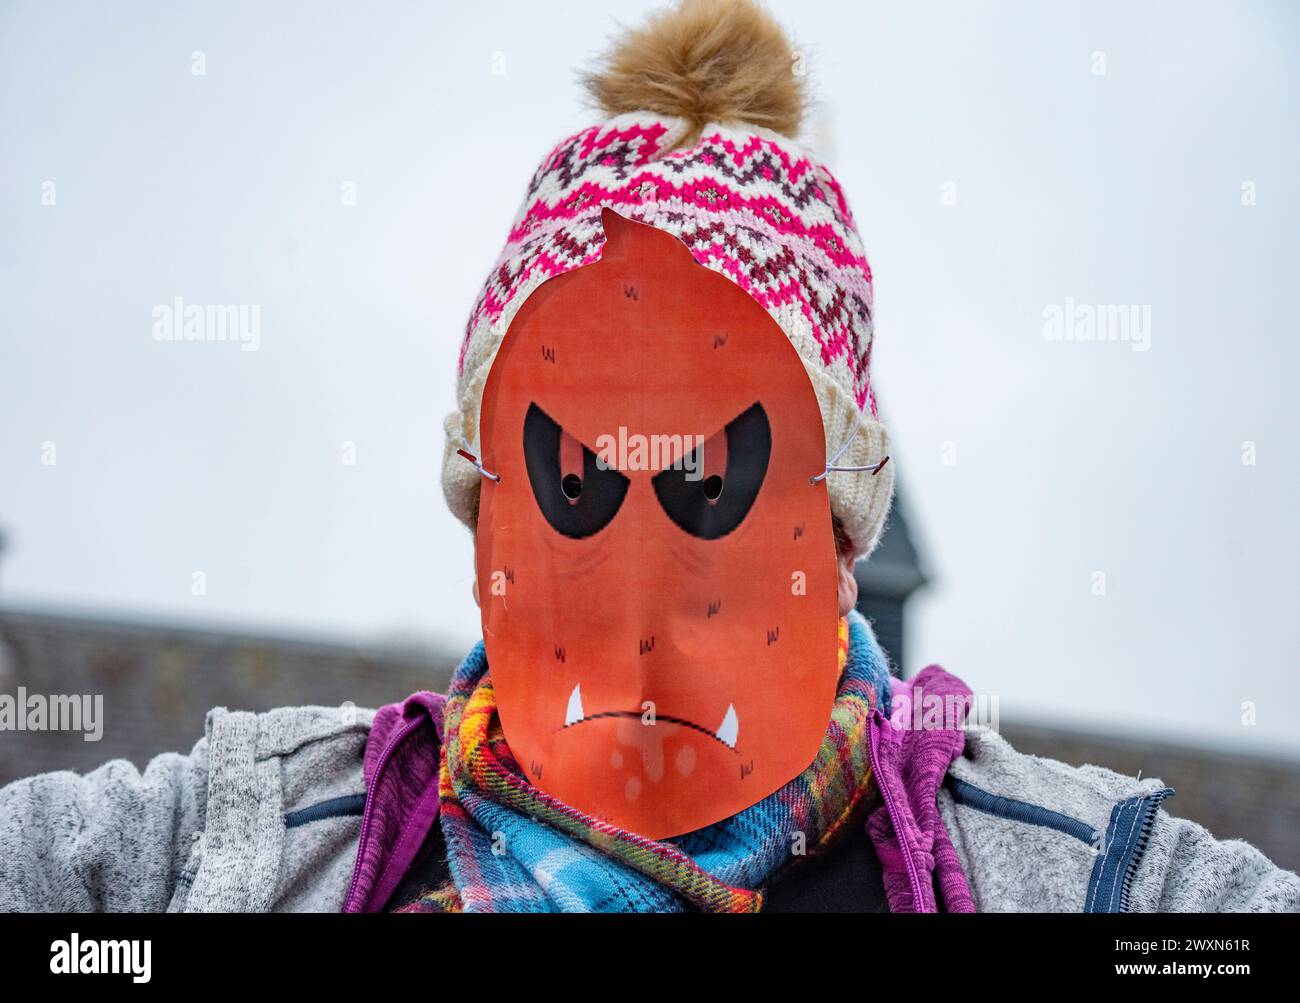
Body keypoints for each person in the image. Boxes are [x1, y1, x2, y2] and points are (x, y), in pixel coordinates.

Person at [1, 0, 1296, 914]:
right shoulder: (240, 846)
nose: (639, 588)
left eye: (710, 482)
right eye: (572, 482)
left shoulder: (1086, 880)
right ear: (481, 508)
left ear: (845, 534)